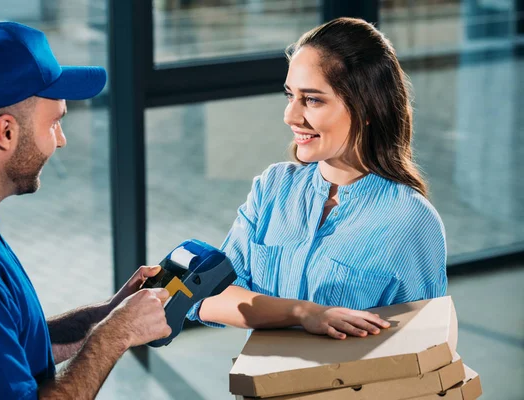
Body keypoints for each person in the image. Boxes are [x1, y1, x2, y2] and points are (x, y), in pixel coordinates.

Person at [0, 22, 171, 399]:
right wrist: (114, 337)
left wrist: (106, 314)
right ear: (5, 132)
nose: (61, 140)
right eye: (54, 123)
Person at [187, 18, 447, 339]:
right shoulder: (274, 187)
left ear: (367, 108)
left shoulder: (411, 221)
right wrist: (304, 312)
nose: (290, 116)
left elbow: (425, 346)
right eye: (289, 96)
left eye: (312, 99)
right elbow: (210, 297)